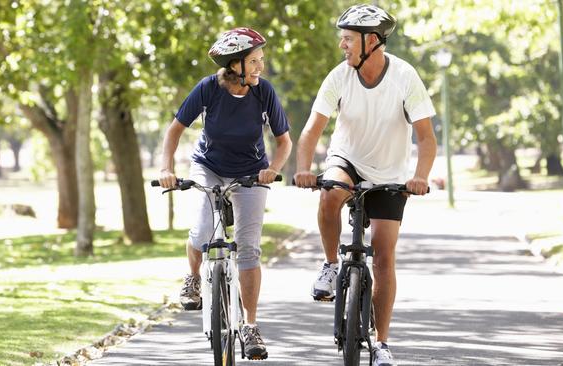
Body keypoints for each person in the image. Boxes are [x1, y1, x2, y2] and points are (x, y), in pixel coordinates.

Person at [293, 4, 436, 366]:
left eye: (347, 39)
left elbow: (426, 137)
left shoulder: (405, 76)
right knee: (329, 195)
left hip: (389, 174)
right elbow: (312, 129)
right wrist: (304, 168)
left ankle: (383, 344)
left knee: (385, 257)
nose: (342, 46)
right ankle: (329, 265)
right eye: (341, 38)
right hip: (348, 160)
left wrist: (419, 177)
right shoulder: (339, 77)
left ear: (371, 41)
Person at [158, 27, 292, 360]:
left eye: (261, 60)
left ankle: (249, 326)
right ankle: (192, 277)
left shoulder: (264, 93)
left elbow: (284, 141)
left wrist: (272, 169)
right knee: (202, 231)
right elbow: (175, 130)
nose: (261, 67)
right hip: (209, 167)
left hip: (251, 172)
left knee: (248, 248)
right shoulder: (208, 89)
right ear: (235, 65)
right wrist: (166, 168)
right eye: (255, 61)